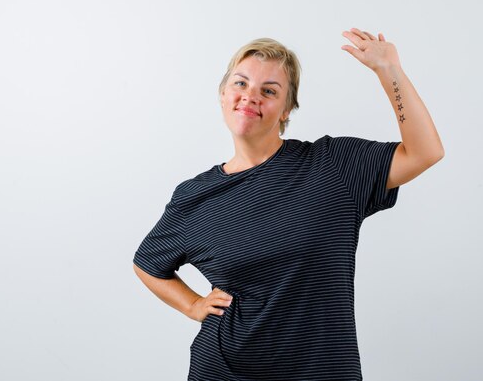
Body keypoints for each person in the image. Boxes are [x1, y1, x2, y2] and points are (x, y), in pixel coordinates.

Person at [133, 28, 445, 381]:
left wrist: (388, 69)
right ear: (222, 95)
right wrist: (191, 304)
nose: (250, 97)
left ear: (286, 110)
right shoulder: (194, 196)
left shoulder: (332, 165)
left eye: (269, 91)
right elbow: (147, 263)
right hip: (224, 370)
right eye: (240, 84)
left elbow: (425, 152)